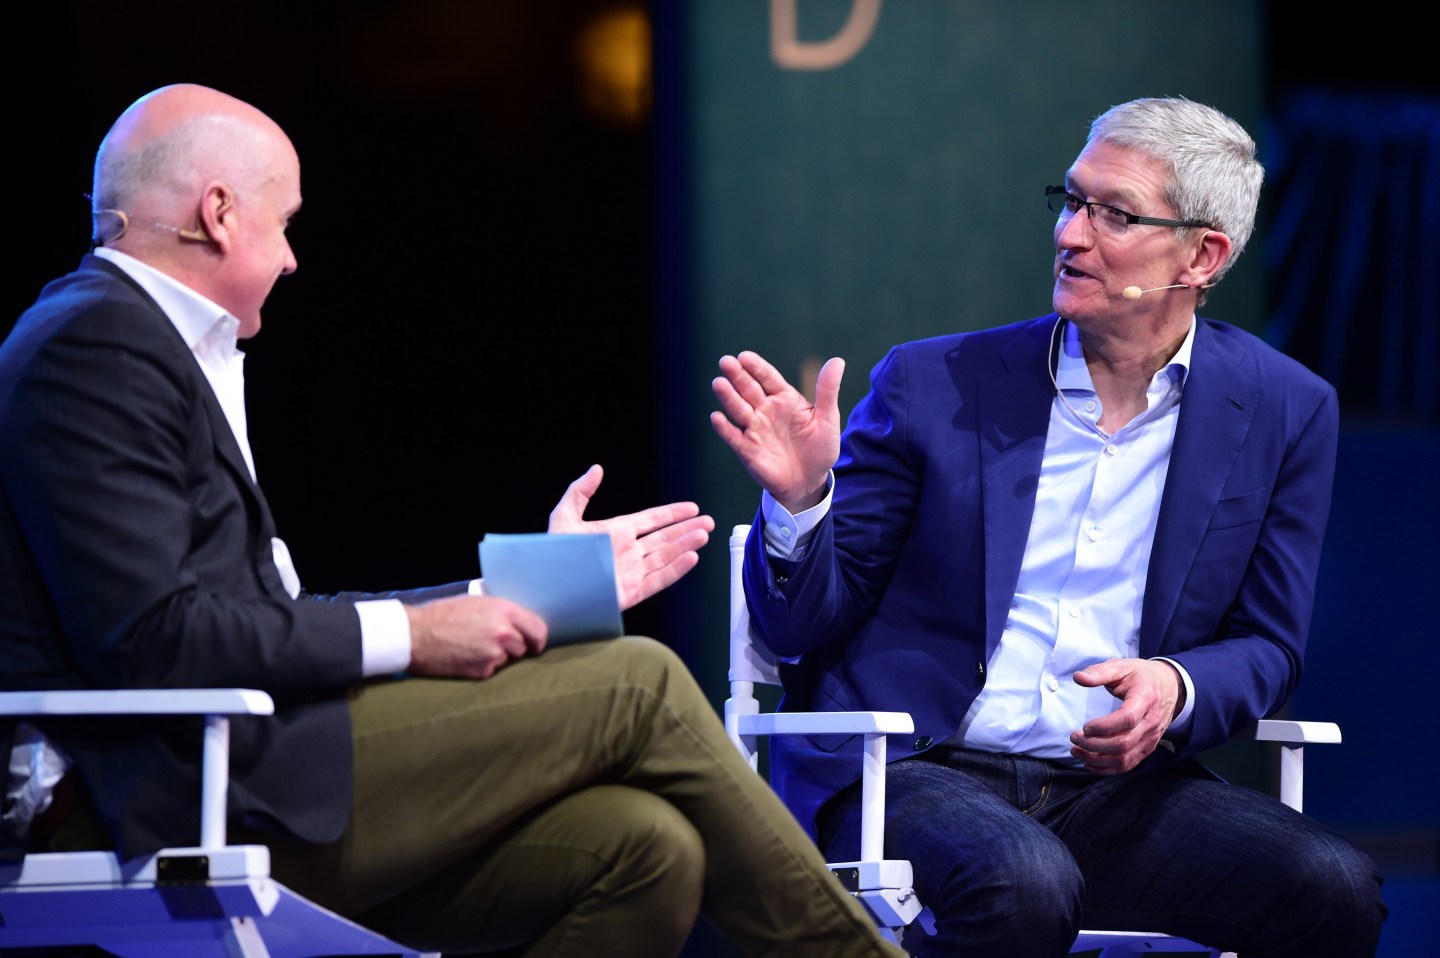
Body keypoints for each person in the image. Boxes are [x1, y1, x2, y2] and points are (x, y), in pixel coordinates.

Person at [0, 83, 907, 958]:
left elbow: (259, 617)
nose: (291, 259)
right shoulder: (95, 343)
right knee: (638, 682)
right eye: (285, 225)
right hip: (158, 792)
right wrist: (417, 636)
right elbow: (156, 638)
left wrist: (528, 591)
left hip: (236, 761)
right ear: (220, 213)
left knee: (648, 850)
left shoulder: (143, 343)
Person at [710, 96, 1387, 957]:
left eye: (1116, 215)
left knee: (1332, 888)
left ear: (1203, 255)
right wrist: (803, 502)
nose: (1070, 235)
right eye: (1072, 201)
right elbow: (799, 628)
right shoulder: (935, 383)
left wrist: (1176, 686)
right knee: (1024, 882)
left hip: (1115, 794)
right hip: (910, 771)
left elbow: (1270, 643)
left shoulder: (1287, 408)